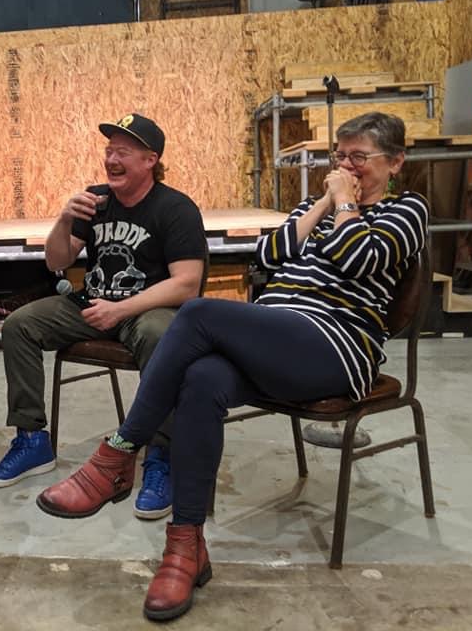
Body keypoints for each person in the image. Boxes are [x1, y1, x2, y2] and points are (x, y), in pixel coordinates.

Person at [35, 111, 429, 621]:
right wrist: (325, 204)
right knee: (201, 379)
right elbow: (267, 256)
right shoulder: (318, 205)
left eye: (359, 157)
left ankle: (118, 453)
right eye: (340, 156)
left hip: (337, 347)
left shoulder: (406, 211)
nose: (345, 166)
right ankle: (185, 546)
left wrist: (347, 202)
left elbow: (357, 260)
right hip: (276, 337)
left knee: (196, 312)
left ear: (395, 162)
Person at [0, 113, 207, 522]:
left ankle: (162, 455)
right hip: (91, 304)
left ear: (150, 160)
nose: (111, 159)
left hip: (146, 310)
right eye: (108, 150)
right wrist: (65, 217)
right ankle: (33, 440)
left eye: (123, 151)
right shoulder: (96, 201)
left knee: (164, 336)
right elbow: (56, 260)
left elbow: (187, 284)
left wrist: (121, 308)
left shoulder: (175, 209)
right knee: (20, 325)